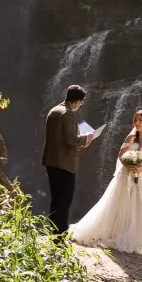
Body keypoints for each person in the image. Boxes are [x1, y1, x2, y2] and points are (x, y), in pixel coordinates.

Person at [70, 109, 142, 256]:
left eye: (140, 120)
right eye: (135, 120)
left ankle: (139, 238)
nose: (137, 123)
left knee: (141, 207)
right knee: (123, 204)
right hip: (127, 175)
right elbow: (121, 154)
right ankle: (118, 233)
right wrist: (127, 163)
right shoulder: (131, 137)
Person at [42, 84, 94, 235]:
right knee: (64, 199)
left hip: (51, 161)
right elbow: (71, 139)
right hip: (64, 163)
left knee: (56, 198)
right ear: (77, 101)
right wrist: (86, 138)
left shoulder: (54, 110)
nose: (80, 105)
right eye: (81, 102)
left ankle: (54, 231)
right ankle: (61, 234)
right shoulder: (68, 113)